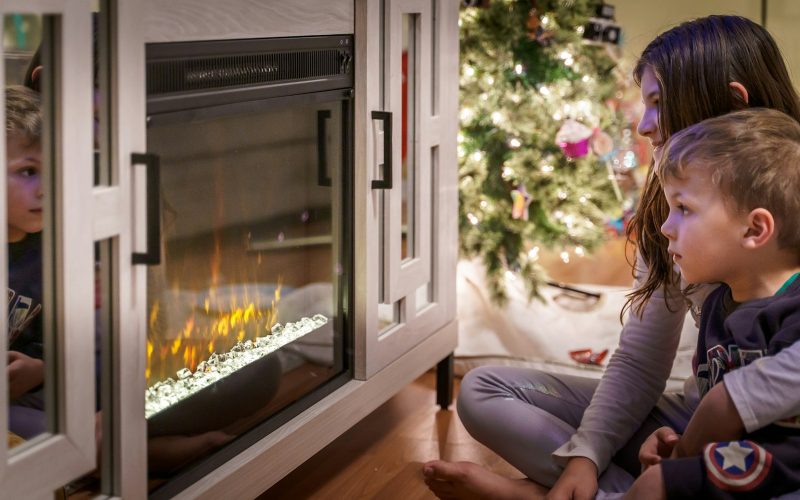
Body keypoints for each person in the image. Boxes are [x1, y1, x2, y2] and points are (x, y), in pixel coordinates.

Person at [423, 15, 800, 500]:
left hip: (770, 451)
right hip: (696, 428)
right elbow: (643, 360)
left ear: (730, 104)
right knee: (484, 392)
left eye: (658, 104)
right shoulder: (670, 218)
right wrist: (587, 454)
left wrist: (727, 407)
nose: (643, 126)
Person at [629, 108, 800, 498]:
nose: (664, 227)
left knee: (655, 485)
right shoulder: (717, 309)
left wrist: (683, 467)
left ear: (755, 229)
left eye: (683, 208)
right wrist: (681, 444)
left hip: (783, 468)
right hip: (739, 456)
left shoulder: (794, 305)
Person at [5, 85, 46, 439]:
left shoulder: (51, 252)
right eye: (28, 172)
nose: (47, 187)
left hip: (23, 397)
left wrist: (41, 368)